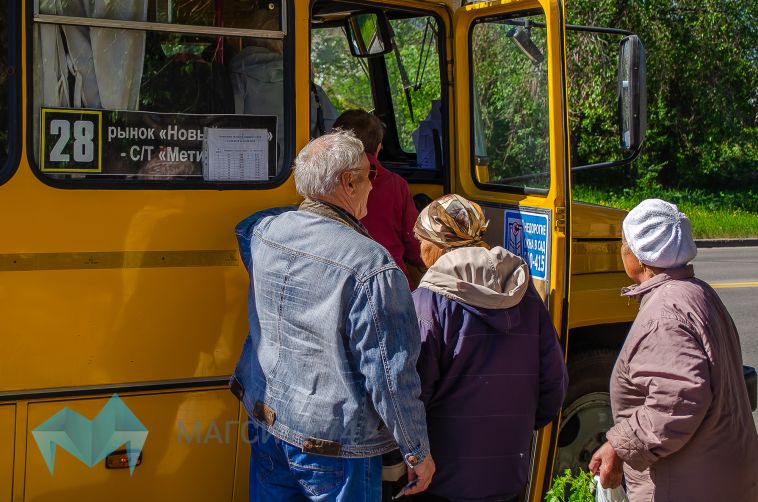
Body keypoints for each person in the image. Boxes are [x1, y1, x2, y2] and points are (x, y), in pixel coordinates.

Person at [230, 131, 435, 501]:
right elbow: (390, 376)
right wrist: (416, 451)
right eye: (370, 175)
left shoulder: (265, 233)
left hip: (267, 420)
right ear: (348, 182)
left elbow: (244, 226)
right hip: (334, 445)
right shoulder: (372, 265)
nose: (373, 185)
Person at [589, 199, 758, 501]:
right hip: (717, 473)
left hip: (686, 483)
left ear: (641, 256)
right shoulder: (697, 291)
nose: (622, 249)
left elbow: (677, 401)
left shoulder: (664, 315)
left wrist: (619, 445)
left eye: (624, 242)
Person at [410, 194, 568, 502]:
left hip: (441, 479)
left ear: (436, 244)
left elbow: (412, 396)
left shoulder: (427, 304)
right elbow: (554, 384)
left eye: (421, 241)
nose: (418, 250)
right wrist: (514, 427)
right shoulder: (525, 295)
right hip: (509, 474)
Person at [229, 6, 338, 173]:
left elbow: (229, 127)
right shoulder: (308, 86)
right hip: (302, 176)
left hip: (253, 173)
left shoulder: (236, 77)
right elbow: (335, 134)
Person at [333, 109, 424, 288]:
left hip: (341, 284)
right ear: (378, 148)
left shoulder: (325, 184)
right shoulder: (396, 185)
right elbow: (416, 248)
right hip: (392, 283)